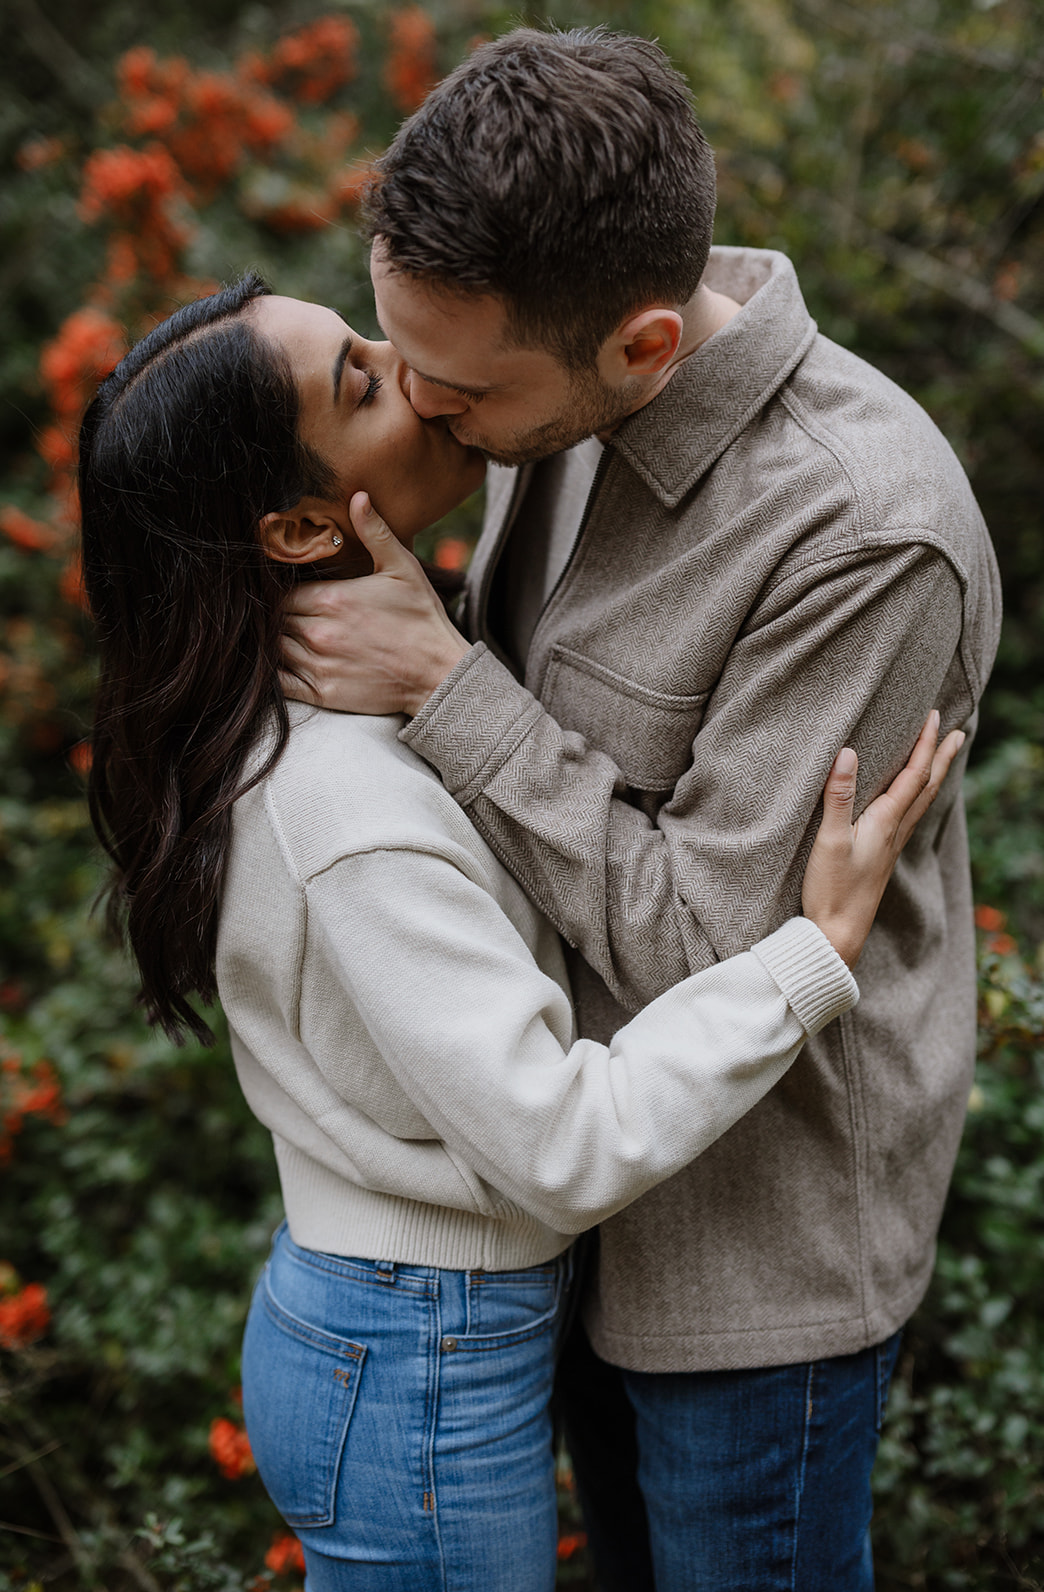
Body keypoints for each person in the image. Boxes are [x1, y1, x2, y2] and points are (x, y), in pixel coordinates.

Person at [79, 277, 962, 1592]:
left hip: (408, 1339)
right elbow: (557, 1139)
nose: (415, 375)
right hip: (415, 1355)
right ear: (299, 524)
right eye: (363, 384)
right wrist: (811, 954)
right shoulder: (349, 798)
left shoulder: (333, 712)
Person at [278, 26, 1004, 1589]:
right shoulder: (545, 406)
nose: (417, 410)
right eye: (399, 360)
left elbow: (716, 942)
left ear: (648, 344)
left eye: (457, 391)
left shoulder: (864, 535)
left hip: (751, 1274)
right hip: (572, 1204)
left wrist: (442, 687)